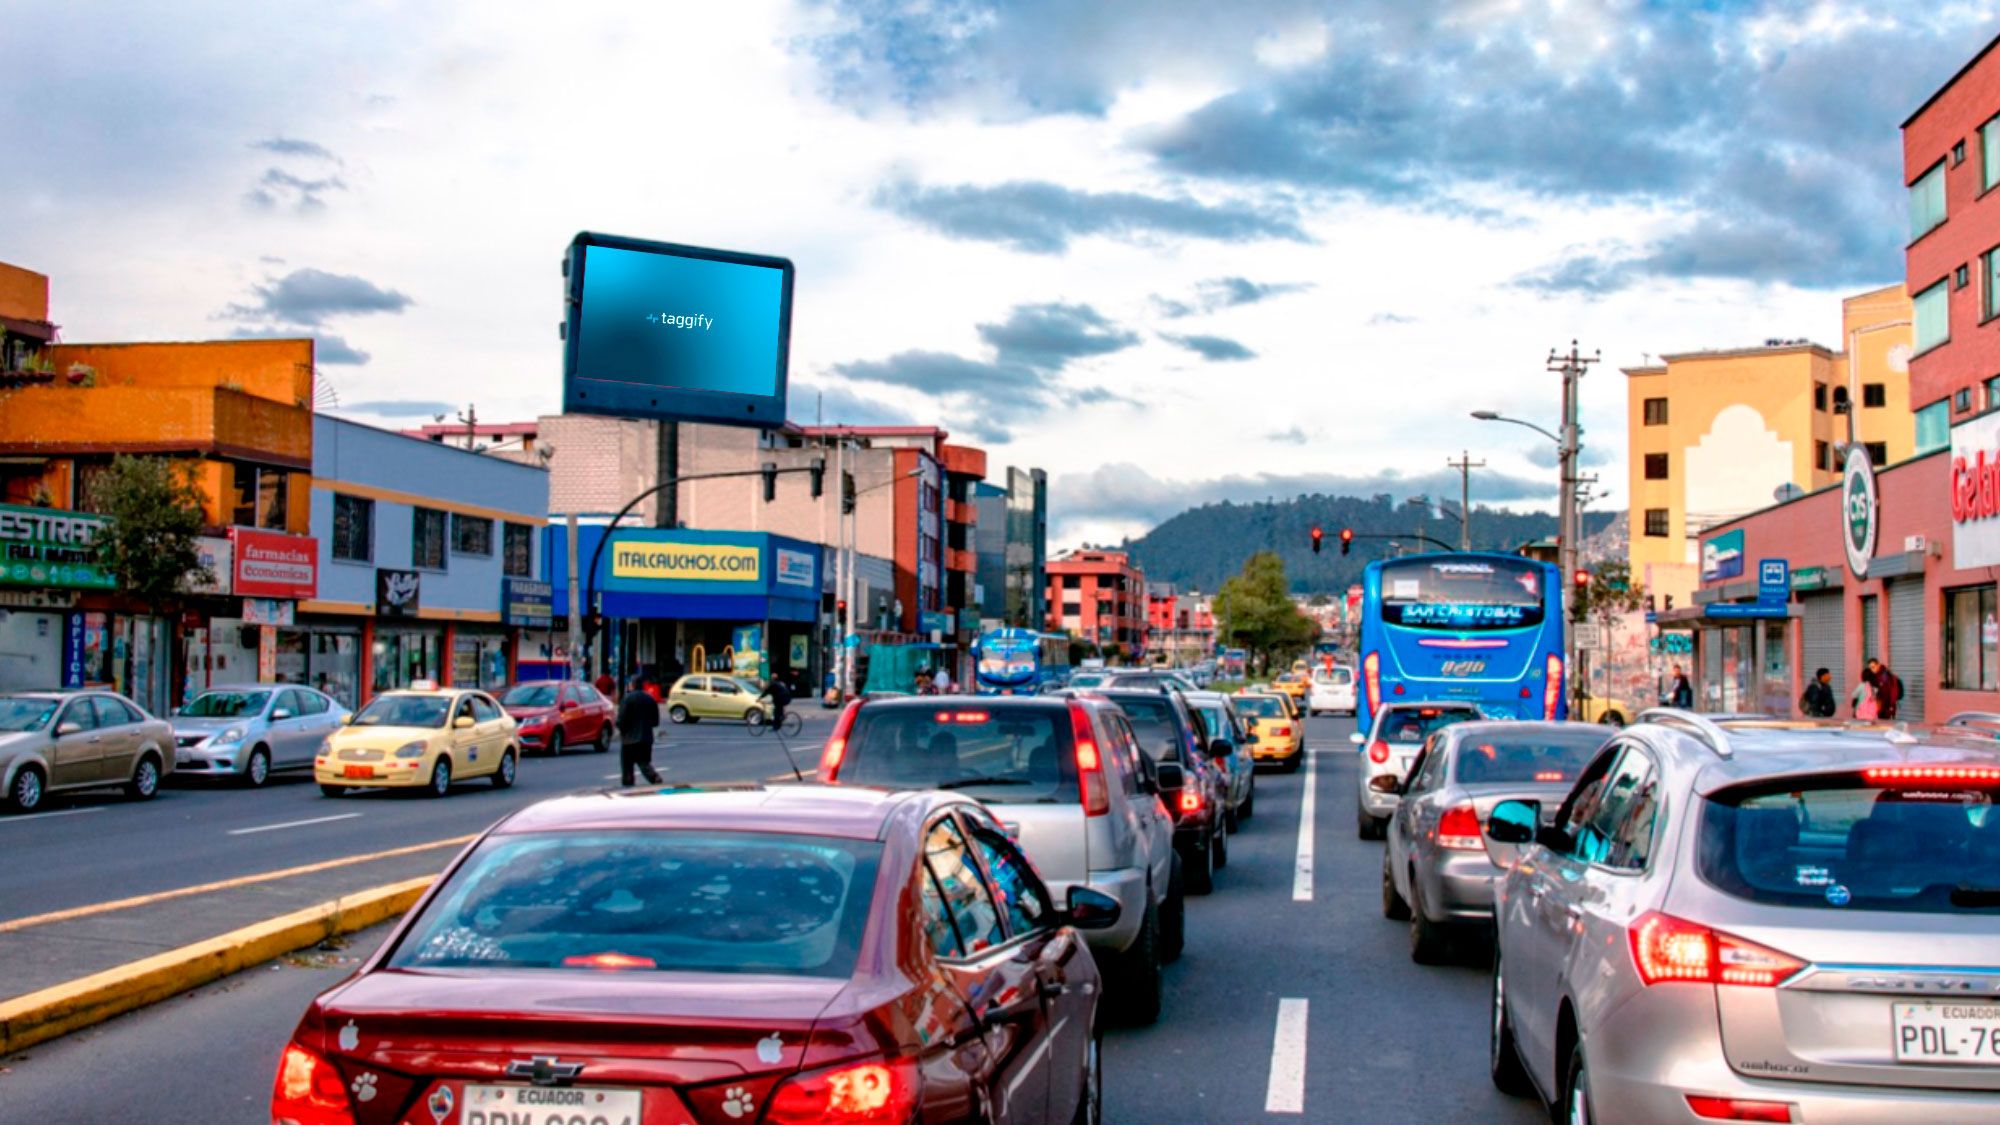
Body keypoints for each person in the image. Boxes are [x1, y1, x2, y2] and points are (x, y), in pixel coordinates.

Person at [616, 673, 663, 785]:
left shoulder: (627, 699)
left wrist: (621, 729)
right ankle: (654, 777)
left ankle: (628, 787)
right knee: (644, 762)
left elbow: (621, 720)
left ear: (632, 685)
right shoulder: (650, 699)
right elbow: (655, 722)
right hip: (646, 737)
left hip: (629, 739)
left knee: (627, 767)